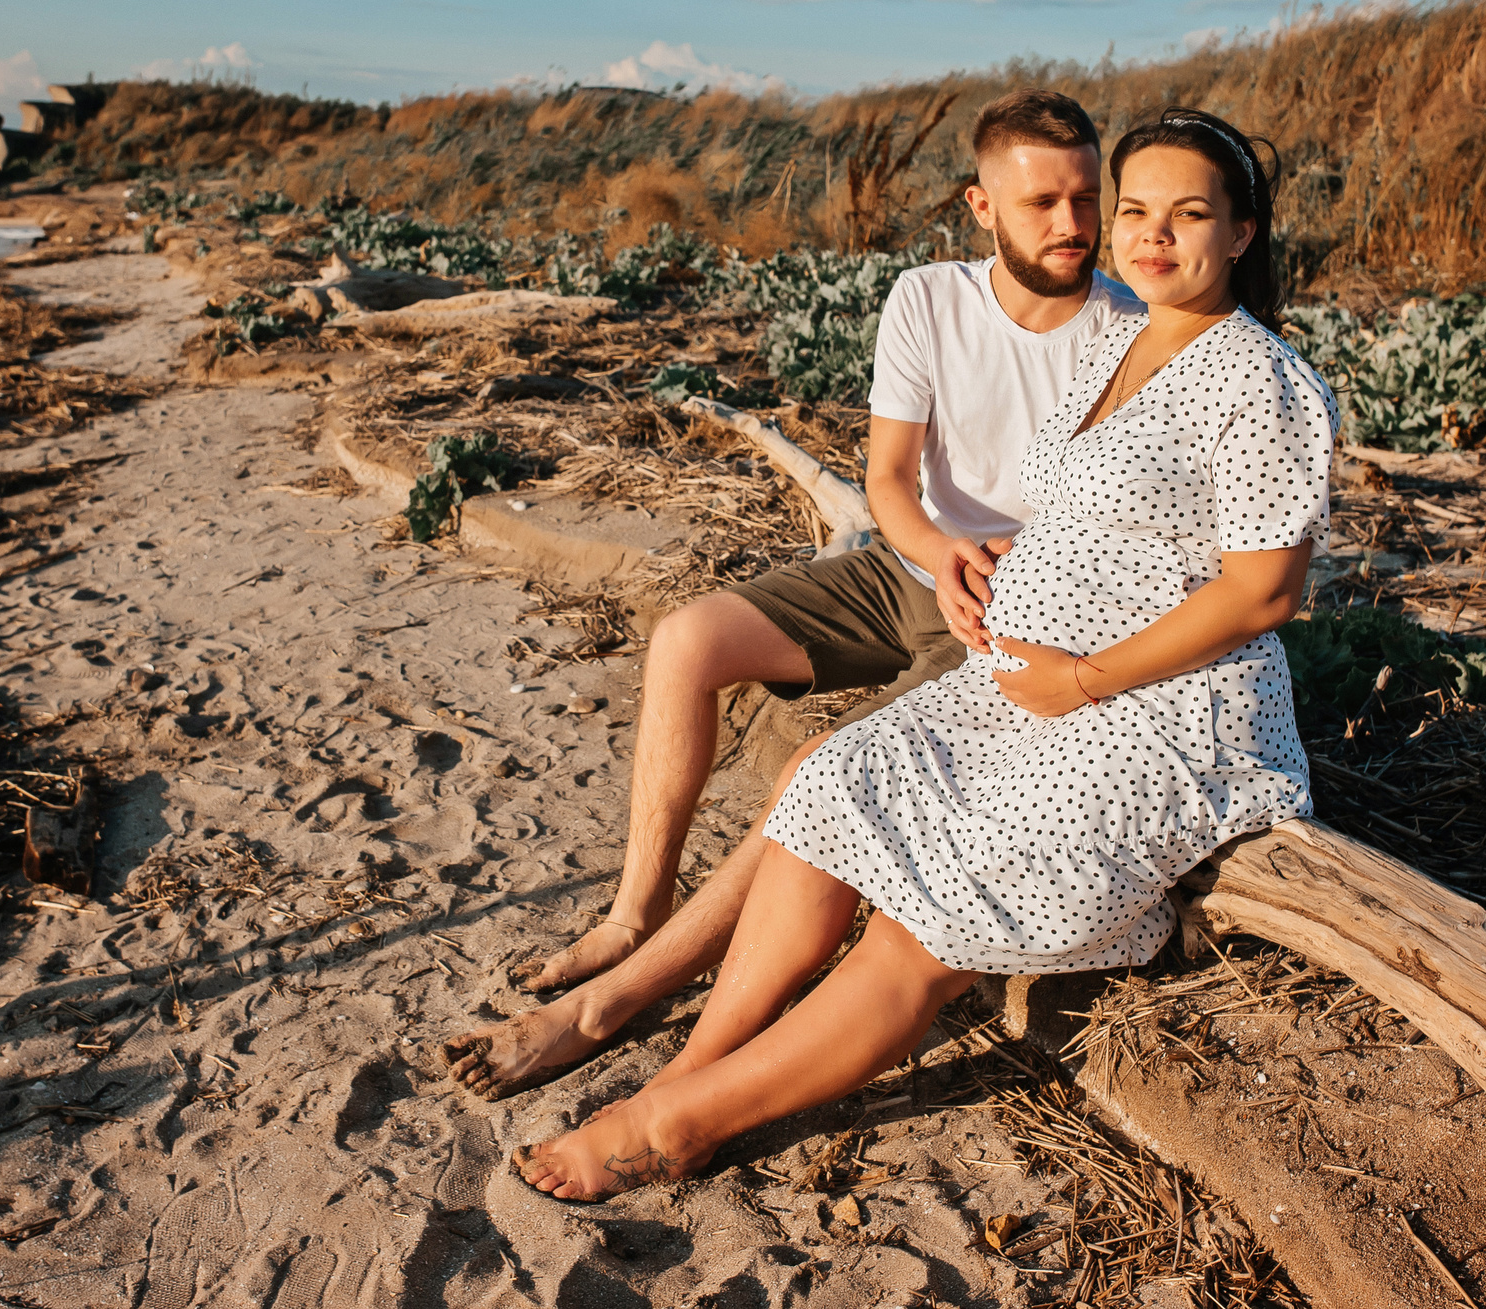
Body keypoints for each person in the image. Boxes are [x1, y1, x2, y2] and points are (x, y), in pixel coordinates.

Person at [511, 106, 1338, 1201]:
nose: (1144, 233)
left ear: (1240, 232)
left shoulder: (1259, 377)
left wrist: (1078, 676)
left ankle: (677, 1119)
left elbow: (1264, 589)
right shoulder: (1113, 336)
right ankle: (695, 1058)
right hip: (1026, 683)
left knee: (924, 918)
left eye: (1186, 214)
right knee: (831, 791)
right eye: (1131, 209)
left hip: (1155, 709)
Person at [442, 89, 1143, 1097]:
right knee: (686, 639)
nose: (1072, 225)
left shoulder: (1123, 334)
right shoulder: (929, 297)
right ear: (980, 205)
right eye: (1041, 202)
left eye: (1085, 197)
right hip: (905, 565)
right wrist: (936, 550)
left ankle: (622, 993)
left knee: (819, 764)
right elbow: (888, 480)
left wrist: (999, 585)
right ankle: (633, 910)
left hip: (1009, 615)